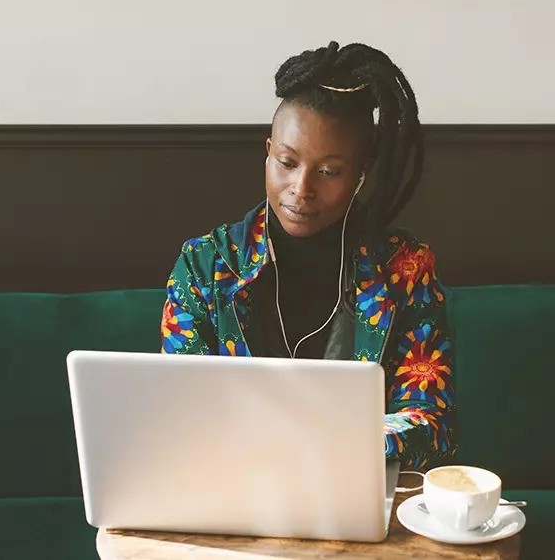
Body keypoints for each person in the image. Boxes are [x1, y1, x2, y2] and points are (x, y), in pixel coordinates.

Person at [160, 41, 454, 468]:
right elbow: (182, 415)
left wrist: (327, 444)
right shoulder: (204, 266)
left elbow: (432, 423)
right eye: (286, 161)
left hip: (357, 494)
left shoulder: (404, 269)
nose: (301, 188)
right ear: (267, 154)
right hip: (234, 493)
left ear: (359, 174)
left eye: (329, 172)